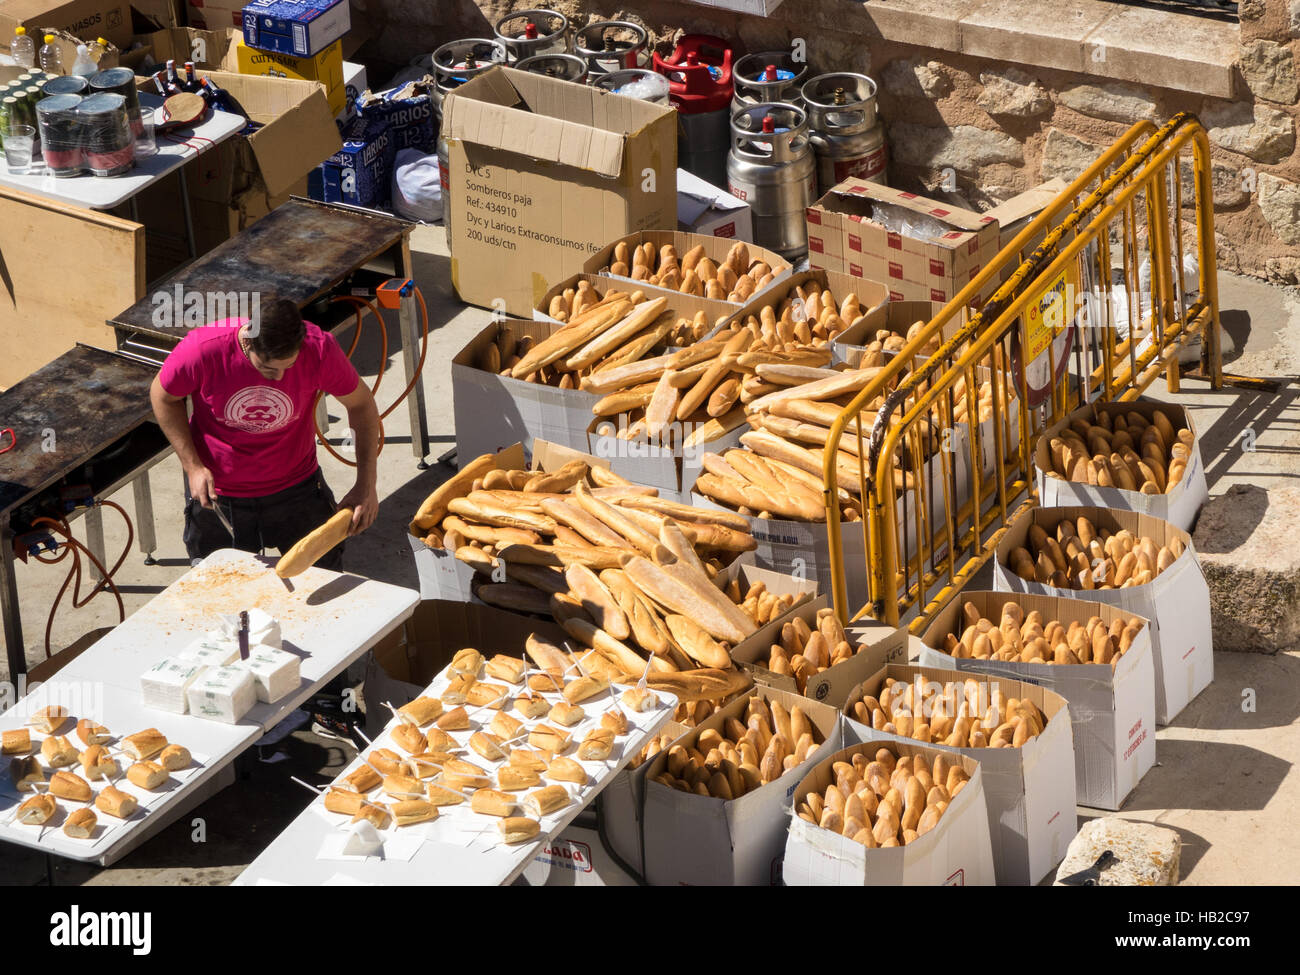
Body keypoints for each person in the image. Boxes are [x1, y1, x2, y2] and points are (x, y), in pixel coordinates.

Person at [150, 298, 379, 569]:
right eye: (269, 369)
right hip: (221, 497)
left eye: (288, 366)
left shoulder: (319, 348)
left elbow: (361, 404)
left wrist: (366, 484)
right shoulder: (203, 350)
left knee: (324, 580)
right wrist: (193, 466)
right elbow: (162, 397)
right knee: (221, 592)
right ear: (248, 341)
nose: (280, 377)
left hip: (298, 489)